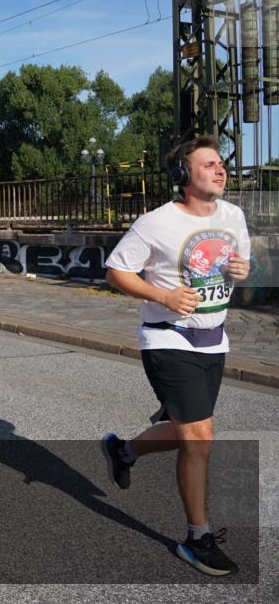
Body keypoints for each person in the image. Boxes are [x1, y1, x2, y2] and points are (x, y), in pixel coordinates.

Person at [102, 135, 251, 577]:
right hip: (168, 338)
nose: (220, 169)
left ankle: (124, 451)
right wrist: (163, 296)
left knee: (188, 432)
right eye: (208, 164)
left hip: (214, 339)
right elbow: (115, 270)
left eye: (221, 163)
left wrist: (241, 270)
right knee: (200, 438)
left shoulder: (234, 215)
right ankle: (196, 538)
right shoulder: (155, 222)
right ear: (185, 175)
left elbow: (232, 265)